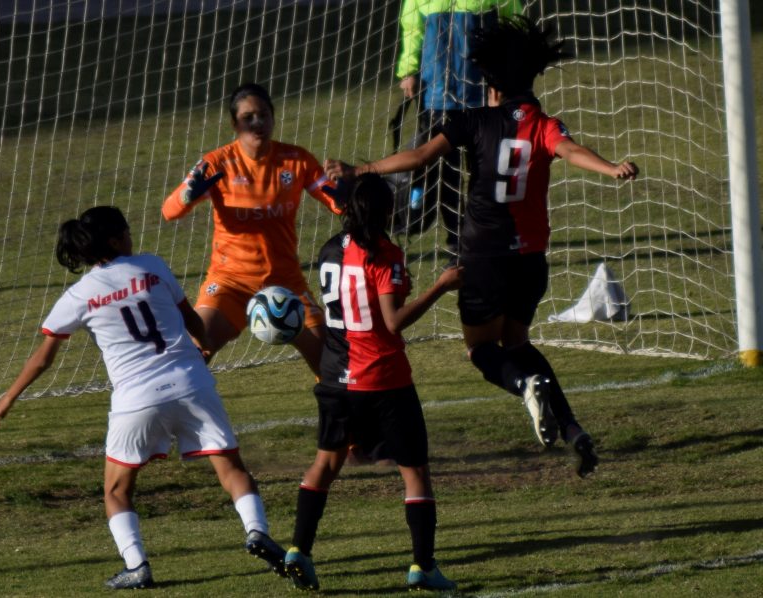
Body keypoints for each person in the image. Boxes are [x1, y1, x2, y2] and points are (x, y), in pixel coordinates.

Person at [325, 17, 639, 477]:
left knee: (482, 351)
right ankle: (572, 429)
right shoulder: (545, 124)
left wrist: (361, 170)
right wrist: (611, 168)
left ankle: (523, 385)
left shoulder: (471, 120)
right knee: (517, 340)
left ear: (491, 85)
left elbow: (417, 158)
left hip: (482, 256)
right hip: (530, 259)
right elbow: (571, 151)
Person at [0, 207, 287, 589]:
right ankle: (257, 531)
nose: (132, 237)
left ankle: (136, 565)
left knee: (116, 490)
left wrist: (8, 398)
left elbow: (43, 358)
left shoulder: (78, 295)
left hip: (136, 399)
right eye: (127, 231)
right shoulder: (152, 266)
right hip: (191, 382)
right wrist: (205, 345)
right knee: (232, 469)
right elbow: (192, 319)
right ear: (115, 240)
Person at [282, 174, 463, 592]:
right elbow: (393, 322)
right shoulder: (385, 254)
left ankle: (298, 550)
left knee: (325, 464)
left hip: (335, 377)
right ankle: (423, 566)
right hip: (382, 379)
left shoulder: (330, 249)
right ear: (387, 211)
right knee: (414, 470)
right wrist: (440, 286)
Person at [162, 83, 344, 376]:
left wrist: (347, 191)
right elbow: (169, 212)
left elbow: (336, 202)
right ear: (235, 124)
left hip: (287, 284)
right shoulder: (216, 164)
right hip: (230, 283)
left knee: (333, 367)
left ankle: (347, 421)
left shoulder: (297, 160)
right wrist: (188, 196)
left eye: (263, 115)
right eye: (248, 117)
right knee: (189, 355)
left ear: (273, 118)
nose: (257, 123)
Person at [394, 0, 521, 248]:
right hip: (438, 93)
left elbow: (513, 21)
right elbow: (412, 28)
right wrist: (408, 70)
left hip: (484, 92)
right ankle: (457, 241)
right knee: (446, 175)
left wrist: (509, 69)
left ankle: (489, 233)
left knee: (485, 169)